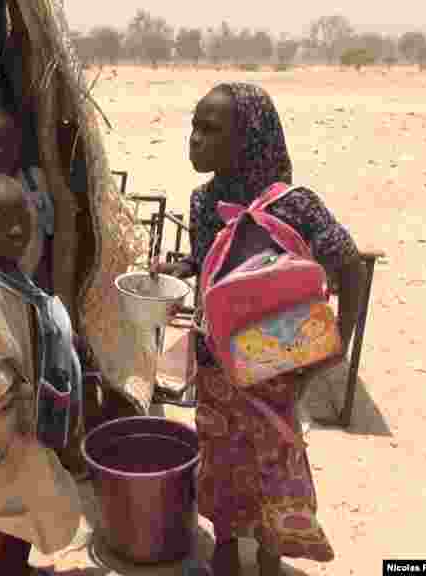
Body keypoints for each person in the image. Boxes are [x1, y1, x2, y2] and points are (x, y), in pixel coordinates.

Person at [153, 83, 368, 575]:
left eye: (210, 130)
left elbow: (350, 265)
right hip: (215, 356)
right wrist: (186, 266)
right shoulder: (204, 201)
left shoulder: (295, 205)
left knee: (273, 458)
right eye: (194, 126)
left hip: (274, 360)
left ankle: (270, 554)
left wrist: (340, 344)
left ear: (248, 138)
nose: (194, 139)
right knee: (220, 453)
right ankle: (226, 544)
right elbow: (213, 256)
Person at [0, 173, 81, 576]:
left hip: (23, 429)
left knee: (21, 510)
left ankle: (13, 569)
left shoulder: (10, 272)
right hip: (1, 433)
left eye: (22, 215)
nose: (16, 228)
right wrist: (2, 426)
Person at [0, 108, 55, 293]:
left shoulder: (34, 181)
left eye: (5, 143)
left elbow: (45, 239)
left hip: (33, 290)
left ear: (17, 145)